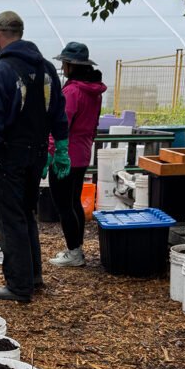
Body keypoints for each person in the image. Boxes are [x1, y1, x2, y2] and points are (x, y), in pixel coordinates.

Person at [0, 11, 69, 303]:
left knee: (11, 219)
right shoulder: (46, 70)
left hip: (9, 156)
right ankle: (34, 276)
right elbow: (58, 111)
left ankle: (19, 286)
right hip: (37, 154)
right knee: (27, 214)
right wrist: (61, 149)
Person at [48, 42, 107, 268]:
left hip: (66, 156)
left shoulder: (72, 91)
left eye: (64, 63)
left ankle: (74, 253)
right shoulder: (94, 91)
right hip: (83, 153)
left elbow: (61, 124)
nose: (62, 67)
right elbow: (94, 124)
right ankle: (76, 248)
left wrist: (52, 152)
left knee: (63, 204)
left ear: (72, 65)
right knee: (73, 202)